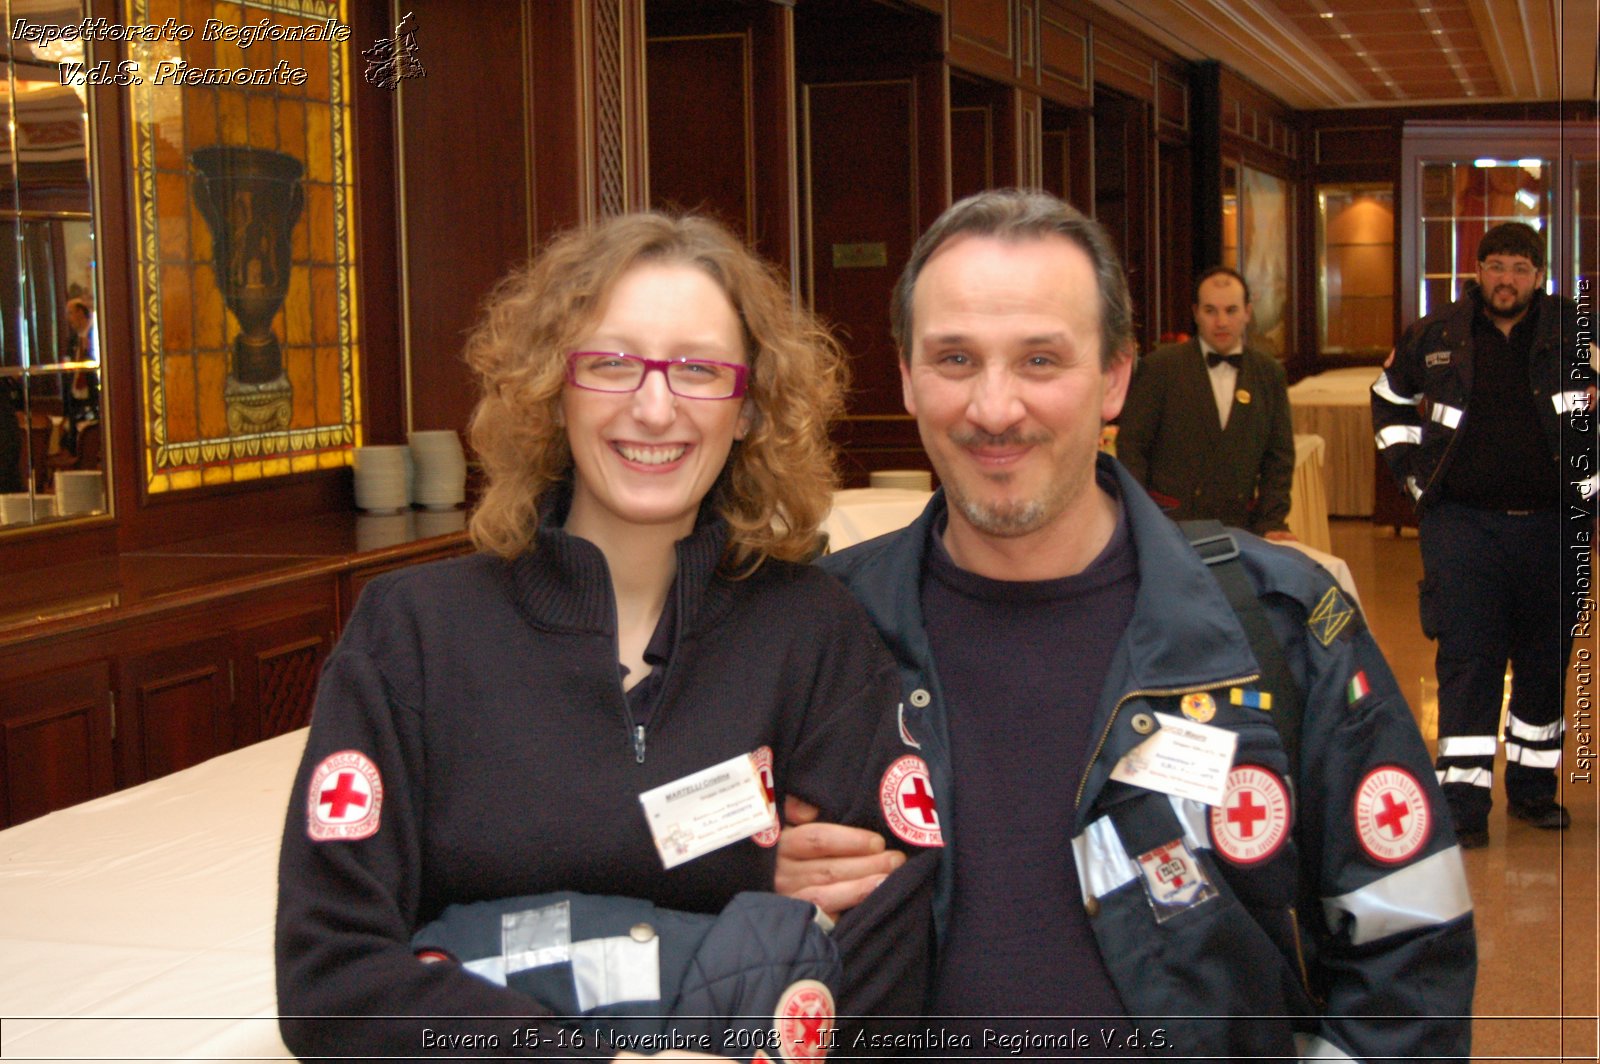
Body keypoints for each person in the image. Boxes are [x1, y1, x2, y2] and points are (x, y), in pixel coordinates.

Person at [778, 189, 1476, 1060]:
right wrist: (752, 888)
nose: (994, 409)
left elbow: (1410, 951)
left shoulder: (1277, 624)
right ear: (909, 377)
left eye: (1040, 361)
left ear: (1114, 377)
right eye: (955, 359)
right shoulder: (815, 632)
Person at [276, 212, 923, 1061]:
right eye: (613, 363)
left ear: (749, 407)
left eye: (698, 369)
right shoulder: (414, 633)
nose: (654, 408)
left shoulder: (811, 630)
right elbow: (332, 978)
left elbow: (900, 917)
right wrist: (739, 880)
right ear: (553, 388)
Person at [1372, 220, 1593, 849]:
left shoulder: (1577, 333)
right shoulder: (1436, 335)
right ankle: (1463, 803)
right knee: (1468, 660)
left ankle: (1532, 790)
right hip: (1462, 526)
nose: (1507, 279)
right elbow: (1387, 399)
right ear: (1479, 271)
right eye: (1496, 266)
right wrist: (1414, 480)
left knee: (1546, 661)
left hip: (1555, 529)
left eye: (1521, 269)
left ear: (1539, 277)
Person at [1114, 266, 1296, 539]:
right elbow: (1132, 446)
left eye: (1231, 310)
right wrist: (1141, 519)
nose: (1221, 322)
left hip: (1241, 528)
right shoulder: (1160, 368)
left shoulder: (1269, 373)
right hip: (1170, 527)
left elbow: (1278, 457)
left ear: (1247, 312)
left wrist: (1272, 522)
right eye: (1211, 311)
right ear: (1196, 312)